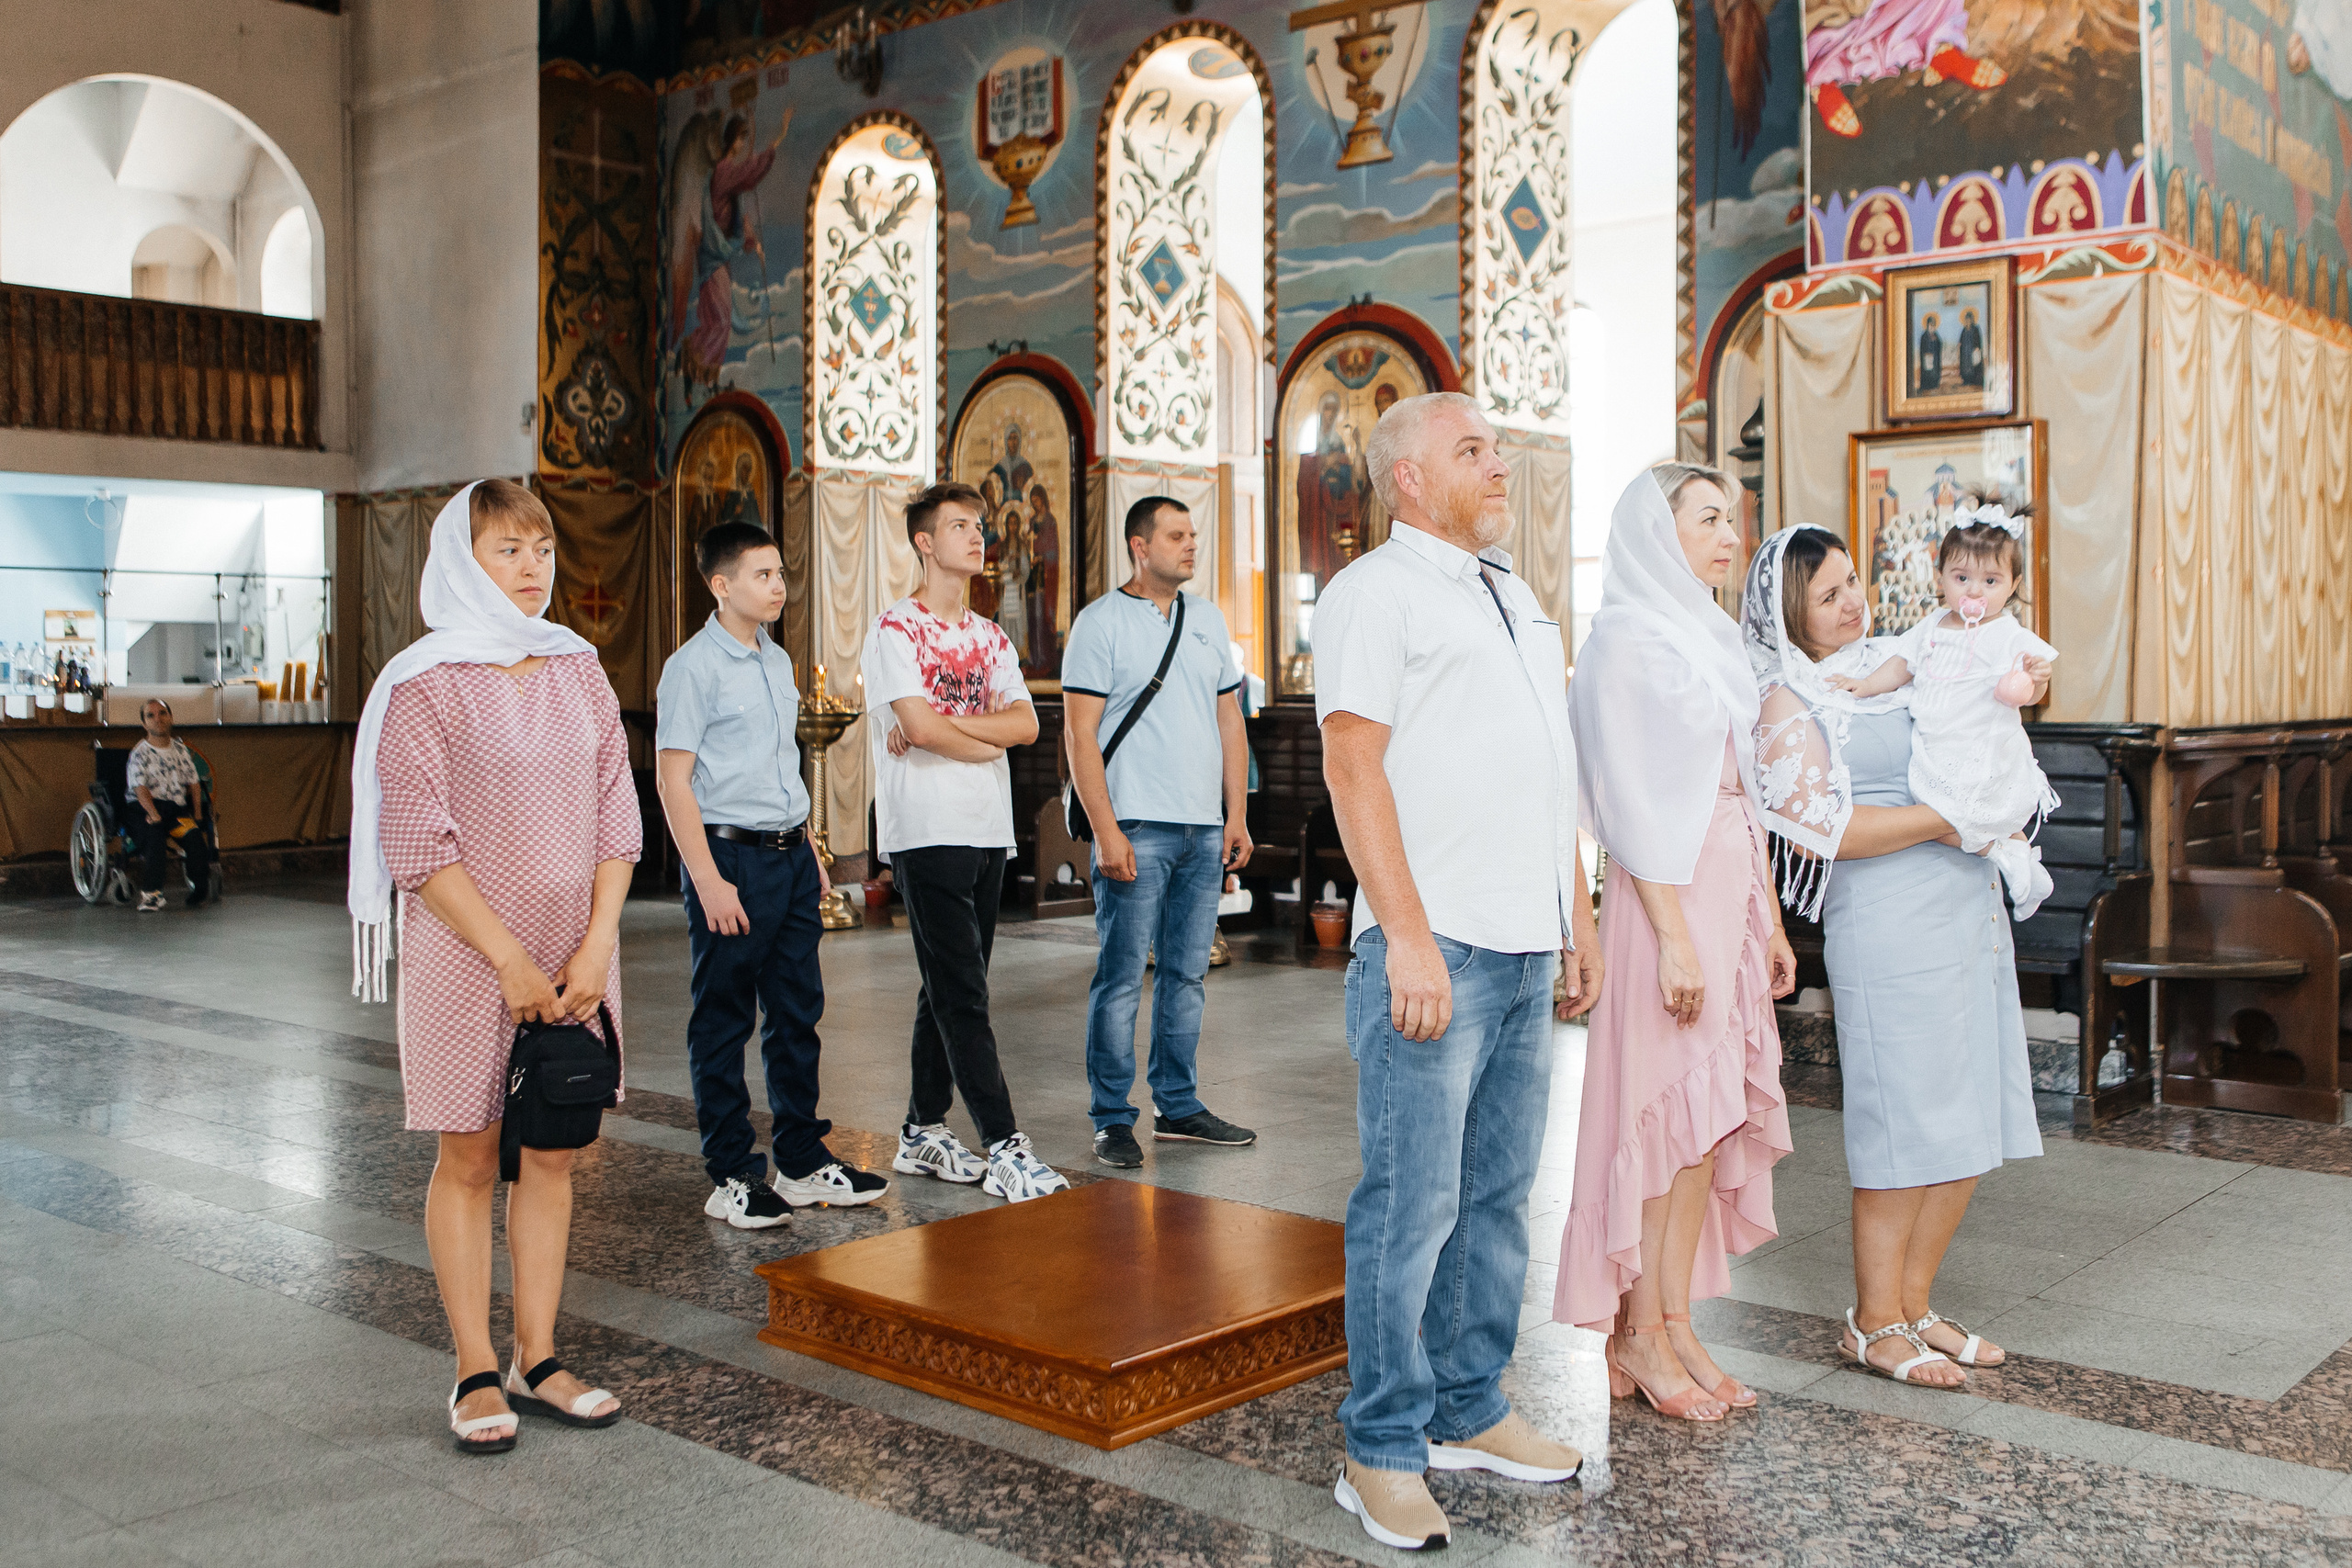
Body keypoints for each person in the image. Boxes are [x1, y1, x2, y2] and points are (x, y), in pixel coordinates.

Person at [1316, 391, 1600, 1552]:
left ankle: (1470, 1406)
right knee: (1408, 1206)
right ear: (1409, 481)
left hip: (1526, 943)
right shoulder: (1370, 596)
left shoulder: (1515, 596)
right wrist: (1409, 935)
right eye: (1473, 451)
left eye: (1499, 447)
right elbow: (1352, 766)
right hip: (1434, 949)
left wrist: (1573, 916)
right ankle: (1380, 1446)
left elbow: (1548, 766)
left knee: (1493, 1201)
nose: (1500, 465)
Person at [347, 479, 638, 1454]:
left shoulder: (578, 668)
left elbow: (617, 817)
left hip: (574, 953)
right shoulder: (422, 682)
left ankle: (539, 1355)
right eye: (506, 550)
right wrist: (510, 956)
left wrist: (596, 941)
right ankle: (475, 1366)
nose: (529, 568)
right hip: (469, 955)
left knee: (553, 1150)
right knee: (470, 1156)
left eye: (541, 549)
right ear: (460, 562)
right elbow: (416, 844)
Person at [1742, 525, 2043, 1387]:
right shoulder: (1787, 701)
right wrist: (1950, 819)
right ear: (1788, 607)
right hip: (1887, 918)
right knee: (1905, 1121)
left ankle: (1914, 1304)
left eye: (1854, 584)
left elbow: (1979, 703)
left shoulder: (1901, 656)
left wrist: (2017, 682)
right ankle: (1872, 1321)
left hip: (1965, 903)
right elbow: (1826, 830)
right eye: (1829, 592)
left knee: (1969, 1112)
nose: (1852, 603)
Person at [1555, 465, 1797, 1423]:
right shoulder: (1620, 638)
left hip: (1730, 885)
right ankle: (1637, 1332)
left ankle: (1669, 1317)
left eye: (1732, 521)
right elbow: (1621, 800)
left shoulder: (1712, 635)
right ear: (1658, 532)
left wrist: (1769, 922)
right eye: (1708, 520)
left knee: (1709, 1124)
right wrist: (1670, 936)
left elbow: (1750, 789)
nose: (1729, 537)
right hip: (1665, 898)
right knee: (1663, 1115)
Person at [656, 520, 889, 1230]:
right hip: (728, 858)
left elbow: (781, 768)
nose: (778, 586)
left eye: (781, 574)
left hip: (788, 857)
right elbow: (674, 780)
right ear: (720, 585)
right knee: (724, 1018)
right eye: (761, 575)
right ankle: (731, 1172)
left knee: (797, 1013)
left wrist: (813, 853)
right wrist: (706, 877)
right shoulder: (691, 668)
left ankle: (799, 1158)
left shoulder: (775, 661)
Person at [865, 481, 1070, 1203]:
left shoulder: (992, 635)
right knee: (963, 996)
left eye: (980, 525)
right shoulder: (895, 629)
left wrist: (963, 734)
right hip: (927, 831)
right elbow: (915, 729)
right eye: (960, 526)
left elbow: (1025, 726)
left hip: (987, 831)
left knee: (948, 984)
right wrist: (975, 733)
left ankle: (923, 1128)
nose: (978, 537)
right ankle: (1006, 1145)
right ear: (925, 542)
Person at [1062, 495, 1256, 1168]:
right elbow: (1079, 734)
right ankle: (1112, 1117)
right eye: (1177, 535)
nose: (1191, 545)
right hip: (1136, 826)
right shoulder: (1100, 623)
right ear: (1139, 546)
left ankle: (1179, 1103)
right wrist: (1105, 829)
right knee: (1120, 978)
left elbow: (1230, 721)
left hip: (1204, 830)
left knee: (1186, 975)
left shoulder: (1207, 620)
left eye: (1194, 534)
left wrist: (1236, 813)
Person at [1826, 502, 2058, 916]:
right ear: (1941, 579)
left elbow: (2031, 693)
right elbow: (1900, 667)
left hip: (1982, 743)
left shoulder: (2007, 633)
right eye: (1962, 578)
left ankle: (2012, 847)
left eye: (1990, 580)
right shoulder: (1931, 626)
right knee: (1935, 816)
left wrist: (2034, 681)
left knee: (1963, 812)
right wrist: (1863, 687)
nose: (1974, 591)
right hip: (1936, 743)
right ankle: (2006, 850)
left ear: (2013, 584)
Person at [124, 697, 214, 911]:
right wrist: (153, 813)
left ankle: (199, 890)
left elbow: (194, 783)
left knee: (194, 840)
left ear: (171, 717)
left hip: (174, 809)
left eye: (163, 713)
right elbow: (140, 788)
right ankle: (152, 895)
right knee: (154, 838)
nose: (158, 719)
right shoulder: (139, 753)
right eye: (151, 715)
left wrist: (199, 816)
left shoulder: (181, 750)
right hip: (144, 808)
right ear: (144, 724)